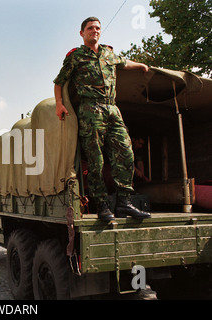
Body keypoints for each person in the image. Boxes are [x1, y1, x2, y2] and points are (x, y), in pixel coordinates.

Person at [53, 16, 151, 221]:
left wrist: (141, 65)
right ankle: (102, 205)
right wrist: (60, 104)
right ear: (82, 33)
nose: (94, 31)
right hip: (90, 109)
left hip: (112, 109)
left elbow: (124, 63)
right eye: (90, 28)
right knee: (96, 160)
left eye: (97, 28)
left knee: (126, 153)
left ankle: (124, 202)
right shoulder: (76, 56)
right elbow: (59, 81)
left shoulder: (108, 53)